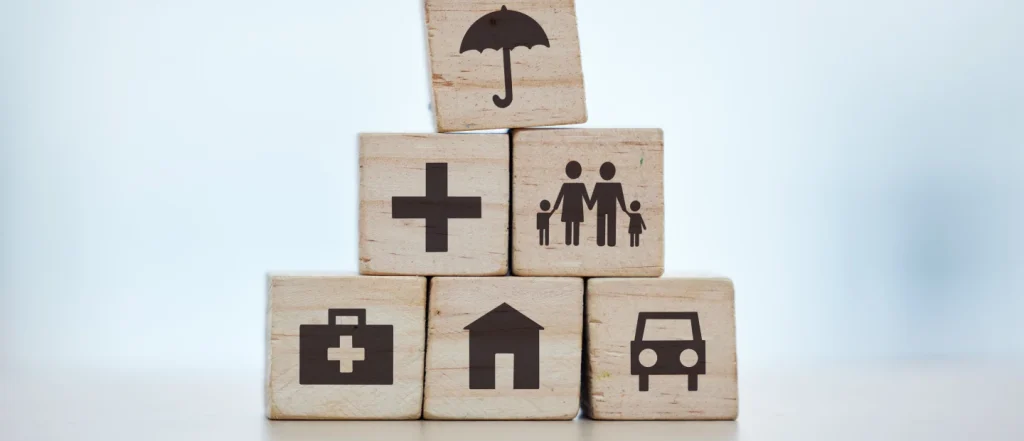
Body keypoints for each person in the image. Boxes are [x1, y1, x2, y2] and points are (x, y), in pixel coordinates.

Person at [551, 161, 591, 246]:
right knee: (576, 225)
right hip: (577, 209)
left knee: (568, 225)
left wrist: (555, 207)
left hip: (568, 209)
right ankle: (575, 241)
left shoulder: (566, 185)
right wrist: (590, 205)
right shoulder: (581, 186)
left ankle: (568, 241)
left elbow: (559, 197)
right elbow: (586, 198)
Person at [587, 162, 627, 247]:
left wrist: (590, 205)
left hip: (601, 208)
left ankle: (600, 242)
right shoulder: (616, 186)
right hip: (611, 208)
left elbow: (594, 197)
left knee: (601, 224)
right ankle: (611, 242)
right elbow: (621, 199)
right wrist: (624, 208)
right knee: (611, 224)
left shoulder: (599, 185)